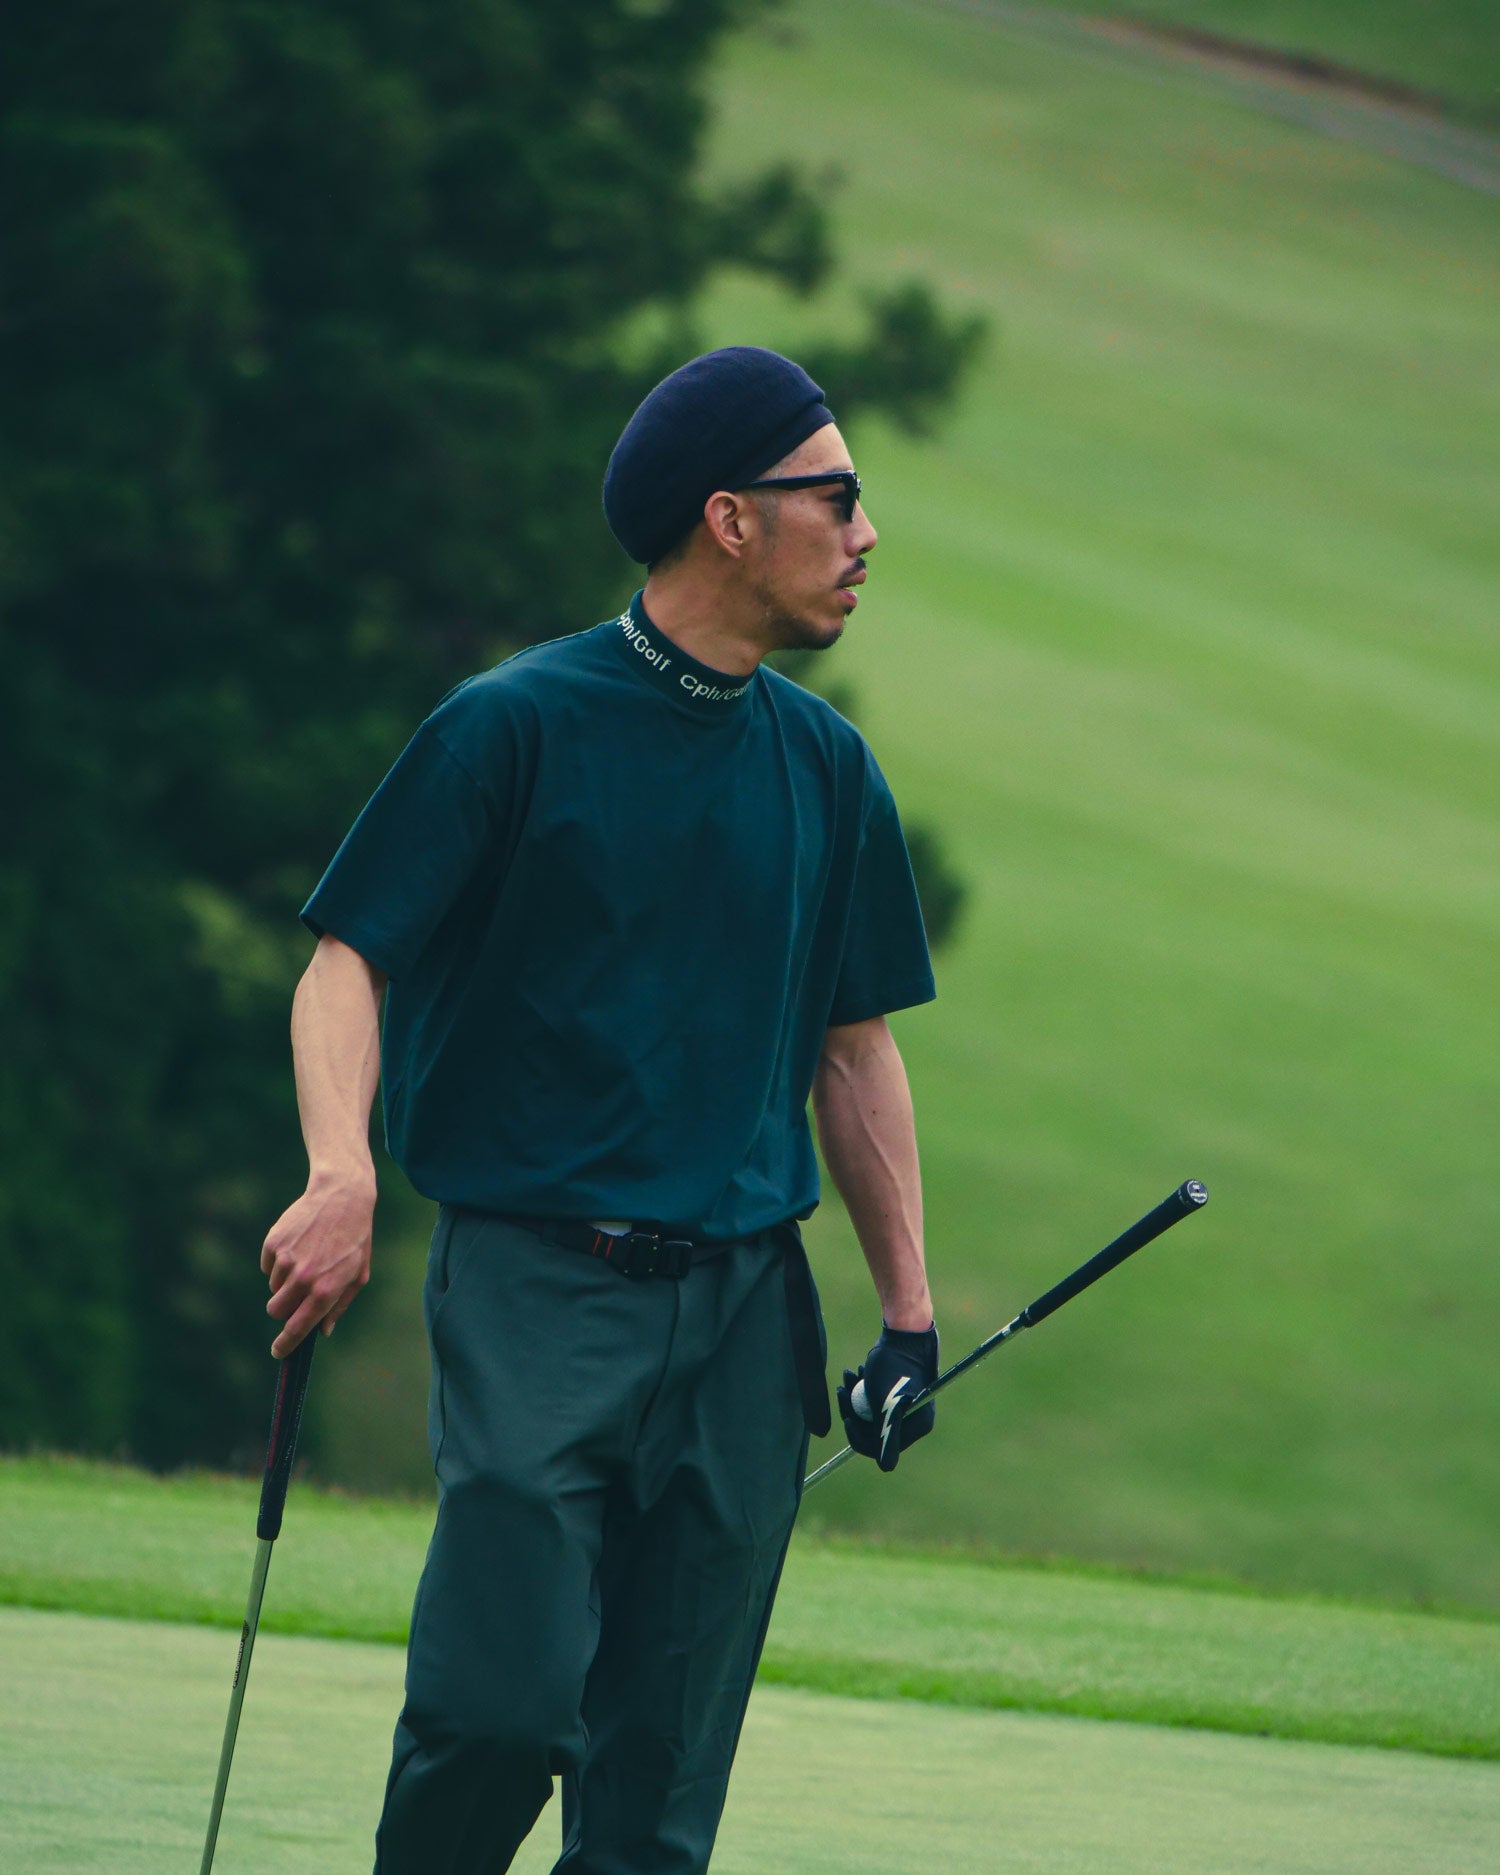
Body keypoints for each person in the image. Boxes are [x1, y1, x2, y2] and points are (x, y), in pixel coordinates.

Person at [259, 345, 941, 1874]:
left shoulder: (830, 773)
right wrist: (339, 1171)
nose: (866, 533)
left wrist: (904, 1318)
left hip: (747, 1323)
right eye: (835, 497)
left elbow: (856, 1052)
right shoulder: (515, 725)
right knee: (496, 1714)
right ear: (729, 519)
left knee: (654, 1801)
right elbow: (345, 964)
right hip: (538, 1295)